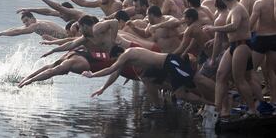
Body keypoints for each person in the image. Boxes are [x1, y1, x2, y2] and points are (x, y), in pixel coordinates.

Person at [82, 47, 215, 105]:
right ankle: (212, 103)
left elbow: (112, 68)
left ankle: (225, 94)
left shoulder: (127, 54)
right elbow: (115, 72)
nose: (118, 61)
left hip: (171, 61)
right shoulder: (131, 58)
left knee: (197, 79)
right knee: (180, 94)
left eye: (116, 59)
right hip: (167, 68)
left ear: (118, 55)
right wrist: (103, 88)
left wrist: (92, 75)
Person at [18, 16, 118, 88]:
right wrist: (52, 50)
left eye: (79, 28)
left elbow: (114, 22)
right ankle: (27, 78)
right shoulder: (85, 38)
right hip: (86, 56)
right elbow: (70, 43)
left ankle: (29, 80)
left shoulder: (97, 29)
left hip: (101, 56)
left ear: (85, 27)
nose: (79, 32)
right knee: (54, 66)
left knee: (56, 68)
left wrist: (113, 41)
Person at [203, 0, 258, 118]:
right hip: (233, 45)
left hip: (242, 45)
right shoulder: (232, 9)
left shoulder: (237, 8)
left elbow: (234, 26)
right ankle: (218, 107)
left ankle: (252, 109)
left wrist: (214, 28)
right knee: (220, 75)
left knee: (240, 79)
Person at [250, 0, 276, 103]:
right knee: (271, 70)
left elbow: (251, 24)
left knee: (250, 69)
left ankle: (259, 99)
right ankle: (274, 100)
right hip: (274, 38)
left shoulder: (259, 3)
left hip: (261, 38)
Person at [0, 11, 67, 41]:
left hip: (68, 37)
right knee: (45, 37)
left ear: (33, 18)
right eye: (24, 22)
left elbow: (18, 32)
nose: (26, 24)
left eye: (27, 21)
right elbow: (16, 29)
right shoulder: (32, 24)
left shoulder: (37, 25)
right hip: (63, 39)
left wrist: (1, 33)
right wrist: (1, 33)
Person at [17, 0, 85, 22]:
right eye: (60, 14)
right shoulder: (63, 14)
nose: (60, 16)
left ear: (67, 11)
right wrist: (30, 9)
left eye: (62, 14)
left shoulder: (77, 14)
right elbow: (48, 12)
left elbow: (58, 7)